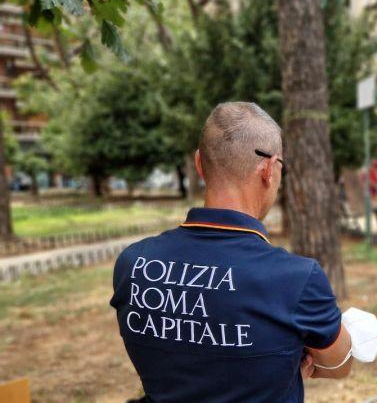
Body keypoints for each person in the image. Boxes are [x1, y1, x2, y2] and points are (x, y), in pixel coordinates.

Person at [109, 102, 352, 402]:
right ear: (267, 170)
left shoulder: (132, 264)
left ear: (199, 164)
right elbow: (340, 363)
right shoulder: (296, 279)